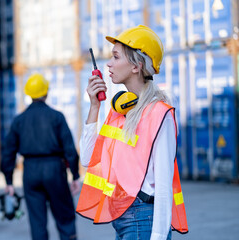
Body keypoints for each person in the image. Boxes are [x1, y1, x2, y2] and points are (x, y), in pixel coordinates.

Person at [76, 25, 188, 240]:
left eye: (116, 57)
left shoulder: (159, 114)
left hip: (143, 218)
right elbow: (88, 159)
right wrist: (94, 107)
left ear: (136, 66)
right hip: (123, 216)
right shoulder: (120, 111)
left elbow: (164, 185)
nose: (109, 63)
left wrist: (157, 236)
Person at [0, 73, 80, 240]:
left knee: (37, 221)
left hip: (30, 171)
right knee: (64, 216)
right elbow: (69, 149)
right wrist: (75, 176)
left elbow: (8, 152)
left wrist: (8, 181)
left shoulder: (19, 120)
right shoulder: (56, 117)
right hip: (54, 170)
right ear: (46, 92)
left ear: (28, 93)